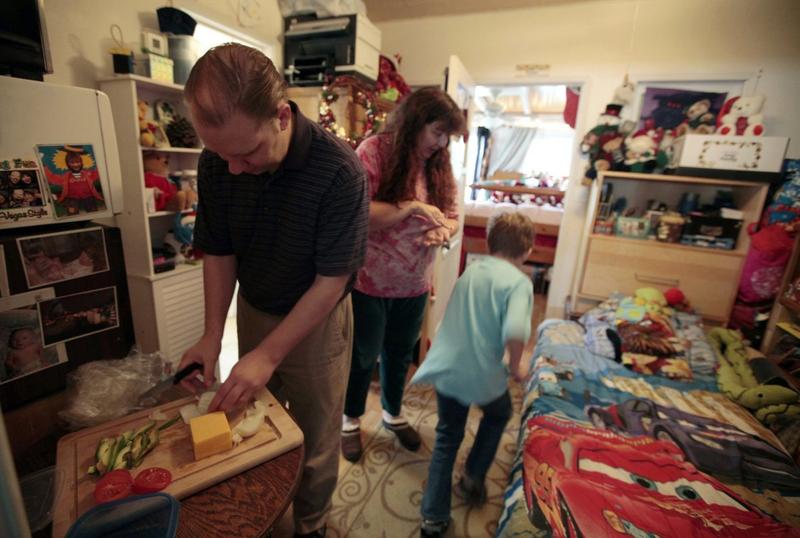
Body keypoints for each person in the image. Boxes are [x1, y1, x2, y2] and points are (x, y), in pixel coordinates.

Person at [175, 43, 368, 538]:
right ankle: (270, 514)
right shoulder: (218, 161)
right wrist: (212, 335)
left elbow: (332, 281)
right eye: (221, 154)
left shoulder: (340, 172)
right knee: (254, 423)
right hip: (256, 305)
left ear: (281, 116)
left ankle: (312, 526)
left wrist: (269, 354)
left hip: (316, 322)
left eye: (246, 153)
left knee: (315, 436)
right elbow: (218, 250)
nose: (233, 168)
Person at [340, 87, 466, 462]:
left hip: (414, 284)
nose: (441, 142)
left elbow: (453, 215)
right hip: (369, 282)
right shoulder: (374, 151)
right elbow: (358, 213)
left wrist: (444, 229)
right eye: (437, 132)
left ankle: (393, 414)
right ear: (415, 121)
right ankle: (350, 421)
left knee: (398, 356)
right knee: (362, 357)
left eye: (447, 135)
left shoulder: (438, 162)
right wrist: (410, 207)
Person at [410, 212, 535, 537]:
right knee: (500, 413)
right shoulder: (520, 283)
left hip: (447, 368)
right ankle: (472, 477)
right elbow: (517, 329)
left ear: (489, 243)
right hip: (480, 373)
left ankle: (433, 519)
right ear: (529, 250)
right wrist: (518, 364)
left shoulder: (472, 270)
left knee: (447, 437)